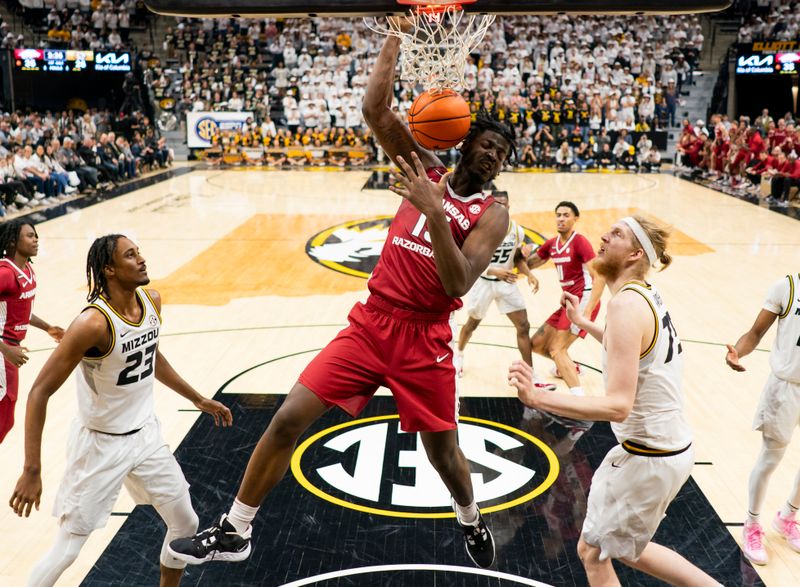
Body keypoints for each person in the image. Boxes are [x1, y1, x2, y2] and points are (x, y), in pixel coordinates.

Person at [167, 25, 516, 570]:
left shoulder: (494, 214)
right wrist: (396, 38)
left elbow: (458, 284)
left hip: (426, 338)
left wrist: (433, 213)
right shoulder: (424, 168)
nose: (494, 156)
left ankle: (469, 516)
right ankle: (236, 530)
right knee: (286, 418)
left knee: (443, 453)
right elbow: (376, 111)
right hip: (372, 323)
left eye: (503, 152)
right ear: (464, 142)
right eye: (488, 145)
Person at [9, 234, 232, 587]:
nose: (142, 260)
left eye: (140, 252)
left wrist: (197, 398)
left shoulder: (152, 300)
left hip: (145, 437)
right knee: (68, 549)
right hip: (99, 446)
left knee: (186, 524)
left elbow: (150, 355)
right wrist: (32, 469)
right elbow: (39, 392)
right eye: (131, 255)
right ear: (109, 269)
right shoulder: (92, 324)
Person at [509, 216, 720, 586]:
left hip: (650, 453)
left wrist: (537, 397)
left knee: (594, 551)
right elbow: (633, 345)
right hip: (667, 446)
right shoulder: (643, 294)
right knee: (623, 548)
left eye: (617, 234)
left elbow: (617, 405)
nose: (604, 237)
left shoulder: (625, 305)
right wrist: (583, 322)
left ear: (636, 253)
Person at [725, 272, 800, 566]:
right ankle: (753, 525)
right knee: (770, 458)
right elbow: (755, 333)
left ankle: (788, 517)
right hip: (785, 387)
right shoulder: (787, 287)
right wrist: (737, 353)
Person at [455, 190, 552, 390]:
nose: (501, 207)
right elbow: (466, 260)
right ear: (490, 206)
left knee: (523, 326)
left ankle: (530, 373)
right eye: (496, 203)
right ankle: (459, 355)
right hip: (482, 282)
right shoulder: (479, 229)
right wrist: (494, 271)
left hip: (506, 283)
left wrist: (529, 274)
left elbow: (517, 259)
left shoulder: (517, 230)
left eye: (504, 204)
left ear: (509, 206)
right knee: (471, 325)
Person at [527, 201, 604, 397]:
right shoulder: (552, 244)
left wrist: (587, 311)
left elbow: (600, 277)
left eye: (566, 215)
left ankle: (579, 399)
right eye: (558, 215)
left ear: (575, 219)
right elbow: (532, 262)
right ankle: (569, 367)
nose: (561, 219)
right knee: (535, 344)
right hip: (568, 302)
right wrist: (517, 259)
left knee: (557, 349)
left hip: (583, 300)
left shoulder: (579, 242)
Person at [0, 220, 65, 444]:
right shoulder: (5, 274)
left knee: (5, 420)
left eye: (36, 235)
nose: (36, 239)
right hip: (3, 350)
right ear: (12, 241)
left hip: (9, 349)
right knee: (3, 420)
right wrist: (6, 349)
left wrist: (48, 328)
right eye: (29, 236)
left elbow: (21, 311)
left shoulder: (26, 269)